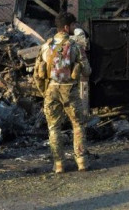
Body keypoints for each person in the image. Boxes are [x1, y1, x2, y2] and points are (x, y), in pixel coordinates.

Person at [34, 12, 92, 173]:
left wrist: (44, 92)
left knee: (54, 128)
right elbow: (87, 71)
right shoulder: (75, 47)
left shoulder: (46, 46)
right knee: (78, 125)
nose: (75, 28)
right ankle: (81, 162)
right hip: (70, 91)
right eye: (73, 25)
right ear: (67, 27)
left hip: (51, 90)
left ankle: (59, 164)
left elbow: (37, 74)